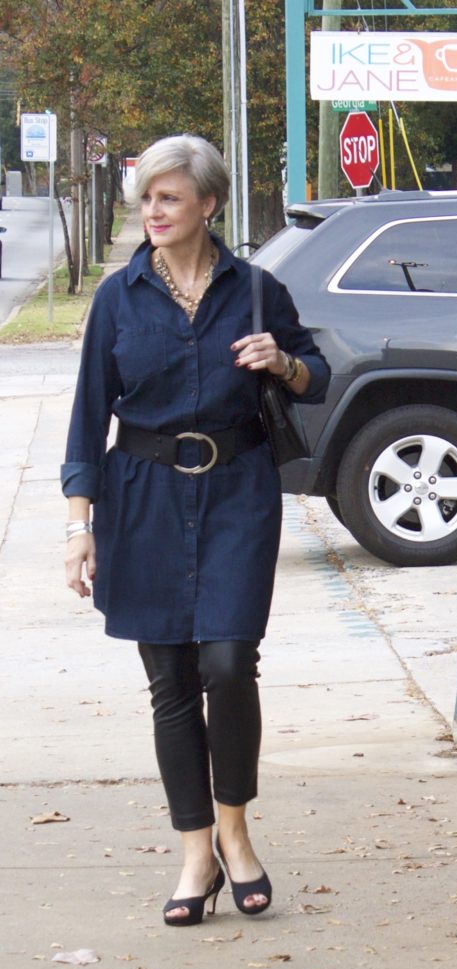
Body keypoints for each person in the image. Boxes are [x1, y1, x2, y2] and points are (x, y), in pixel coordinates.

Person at [62, 134, 329, 927]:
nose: (153, 211)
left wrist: (280, 360)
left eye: (169, 197)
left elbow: (314, 376)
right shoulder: (119, 297)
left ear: (208, 204)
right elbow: (86, 421)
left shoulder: (255, 290)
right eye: (146, 198)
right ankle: (195, 852)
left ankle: (237, 835)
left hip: (238, 492)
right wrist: (80, 526)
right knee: (171, 682)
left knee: (227, 658)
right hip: (139, 495)